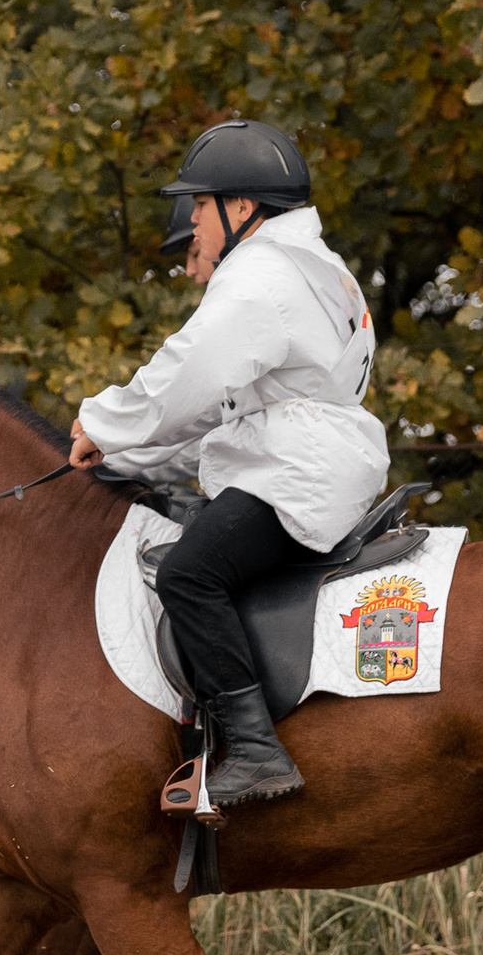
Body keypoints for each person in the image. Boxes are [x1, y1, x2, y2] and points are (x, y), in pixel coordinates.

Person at [67, 120, 388, 806]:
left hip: (298, 473)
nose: (195, 232)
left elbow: (194, 372)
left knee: (188, 572)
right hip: (314, 458)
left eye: (200, 209)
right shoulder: (317, 270)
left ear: (241, 207)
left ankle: (255, 750)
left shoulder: (262, 273)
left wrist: (104, 421)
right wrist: (119, 451)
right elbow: (224, 413)